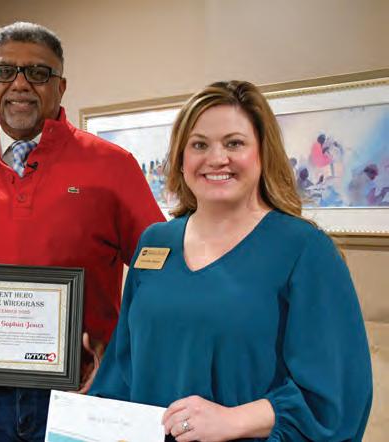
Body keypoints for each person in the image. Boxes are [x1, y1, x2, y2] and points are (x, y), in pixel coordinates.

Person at [90, 80, 372, 441]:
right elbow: (123, 368)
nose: (216, 158)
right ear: (181, 158)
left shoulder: (304, 249)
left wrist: (233, 420)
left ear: (263, 153)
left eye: (234, 143)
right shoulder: (155, 242)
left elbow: (337, 395)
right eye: (199, 145)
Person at [0, 22, 164, 442]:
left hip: (84, 390)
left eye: (37, 73)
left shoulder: (113, 166)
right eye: (5, 71)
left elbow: (158, 270)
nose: (19, 84)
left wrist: (121, 354)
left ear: (61, 86)